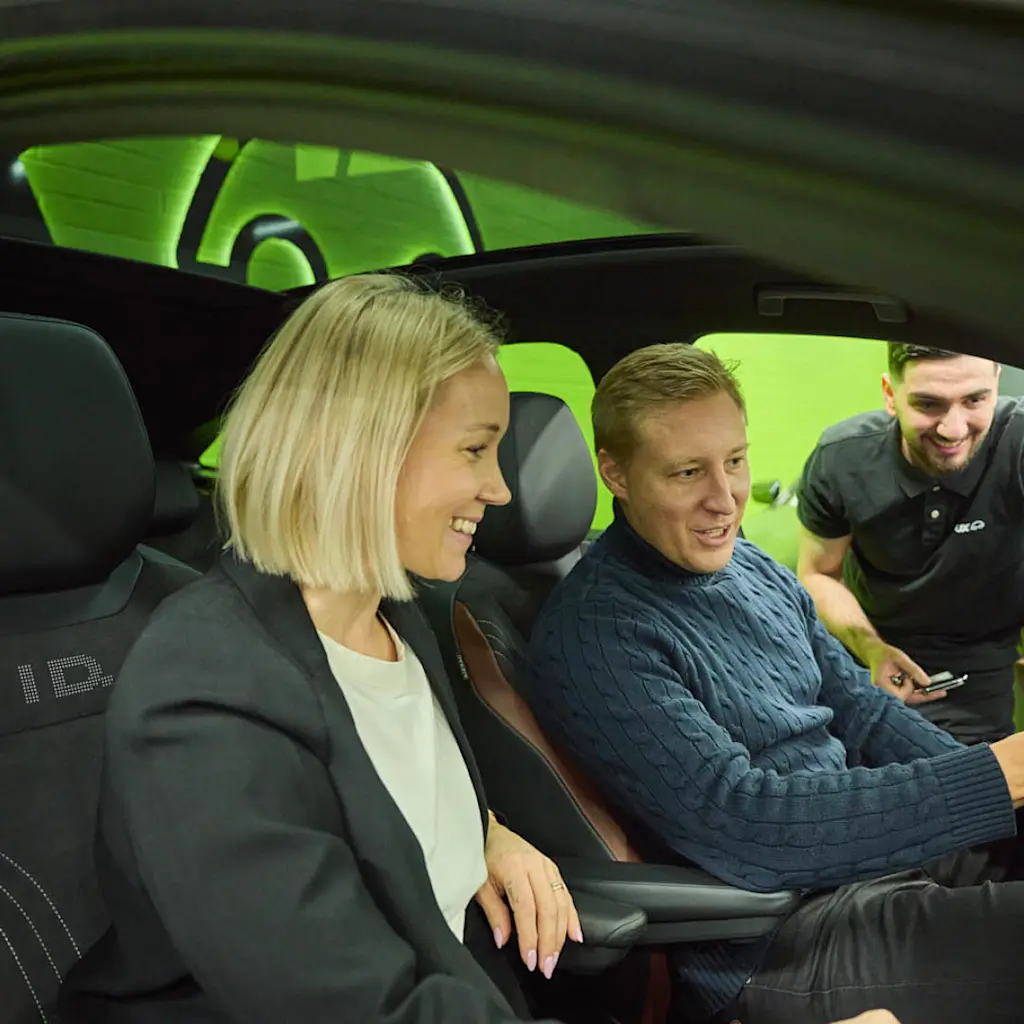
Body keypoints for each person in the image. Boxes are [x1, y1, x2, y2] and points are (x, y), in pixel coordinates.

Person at [60, 274, 583, 1024]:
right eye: (476, 449)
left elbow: (386, 798)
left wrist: (486, 834)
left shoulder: (402, 618)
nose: (498, 489)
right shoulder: (203, 688)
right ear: (363, 450)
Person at [524, 342, 1024, 1024]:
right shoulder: (598, 636)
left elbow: (861, 711)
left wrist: (1003, 788)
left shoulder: (748, 565)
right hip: (782, 938)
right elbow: (746, 823)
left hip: (867, 862)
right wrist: (993, 780)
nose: (724, 499)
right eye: (687, 472)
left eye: (735, 461)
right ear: (615, 472)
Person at [796, 344, 1024, 744]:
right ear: (890, 394)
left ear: (996, 385)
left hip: (979, 660)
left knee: (970, 793)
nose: (953, 429)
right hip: (866, 648)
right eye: (929, 404)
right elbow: (819, 572)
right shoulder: (841, 459)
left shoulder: (1018, 440)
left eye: (974, 400)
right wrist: (871, 650)